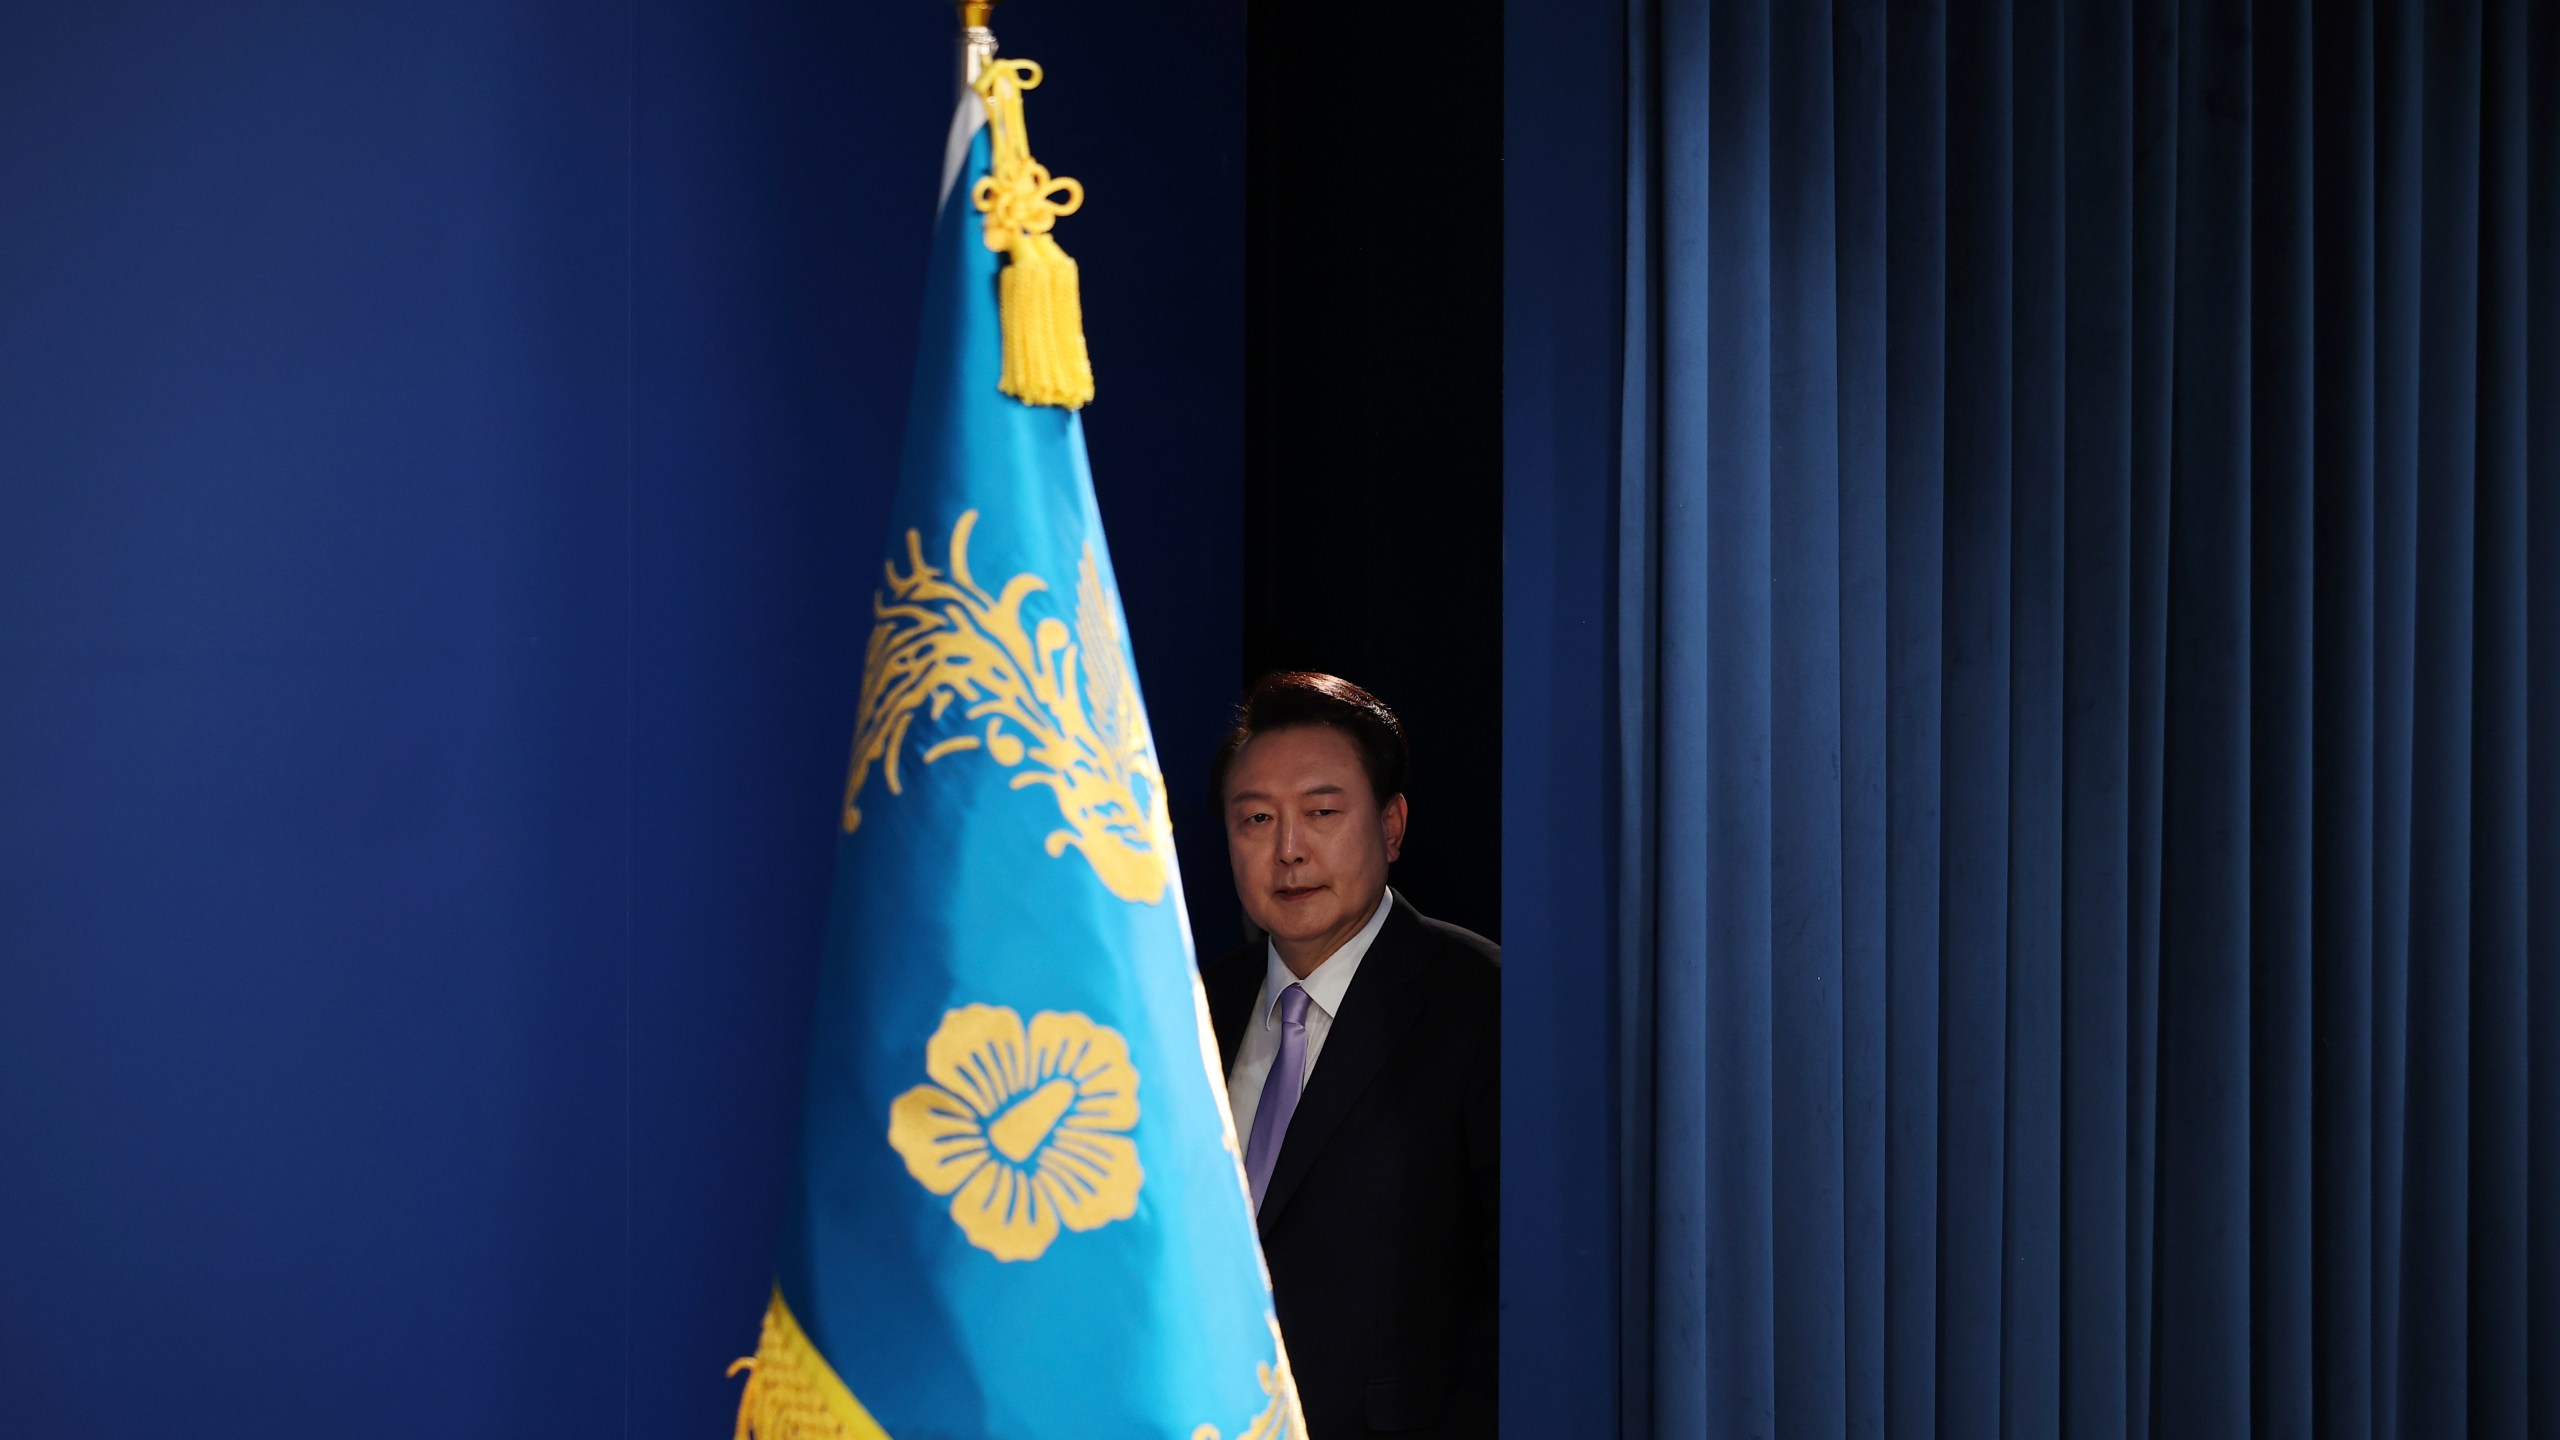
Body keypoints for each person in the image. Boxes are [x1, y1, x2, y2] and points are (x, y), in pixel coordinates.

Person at [1203, 671, 1499, 1437]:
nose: (1289, 850)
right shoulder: (1193, 1006)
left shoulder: (1481, 1000)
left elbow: (1511, 1300)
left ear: (1393, 825)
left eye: (1322, 812)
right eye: (1256, 819)